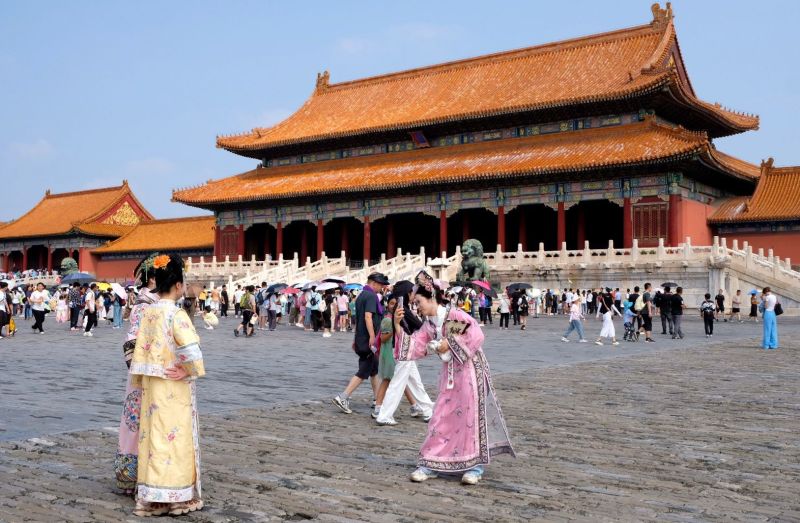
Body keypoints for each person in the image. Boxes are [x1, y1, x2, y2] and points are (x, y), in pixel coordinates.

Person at [401, 271, 515, 485]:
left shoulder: (453, 316)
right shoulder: (430, 325)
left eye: (418, 302)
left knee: (470, 416)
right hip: (451, 372)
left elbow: (475, 335)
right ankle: (431, 462)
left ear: (431, 297)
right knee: (441, 415)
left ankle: (475, 466)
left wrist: (449, 344)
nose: (417, 307)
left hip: (470, 370)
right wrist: (397, 327)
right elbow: (416, 345)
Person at [129, 253, 205, 517]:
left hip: (152, 387)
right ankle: (177, 498)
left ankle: (152, 498)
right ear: (178, 285)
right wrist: (188, 370)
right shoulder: (176, 314)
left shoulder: (148, 312)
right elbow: (191, 349)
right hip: (173, 385)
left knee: (154, 439)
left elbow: (139, 350)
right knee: (175, 437)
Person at [114, 253, 160, 496]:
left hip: (152, 370)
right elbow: (132, 342)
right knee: (137, 421)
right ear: (152, 279)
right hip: (143, 372)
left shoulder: (154, 302)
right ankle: (133, 476)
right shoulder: (145, 305)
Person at [375, 282, 435, 426]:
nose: (414, 294)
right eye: (412, 291)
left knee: (415, 382)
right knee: (397, 384)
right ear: (407, 292)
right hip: (405, 349)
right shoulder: (403, 309)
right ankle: (384, 415)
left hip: (405, 349)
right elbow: (419, 327)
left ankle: (428, 410)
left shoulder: (401, 307)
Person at [332, 272, 390, 415]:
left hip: (361, 337)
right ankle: (343, 397)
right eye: (381, 285)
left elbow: (358, 319)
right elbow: (367, 317)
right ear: (374, 283)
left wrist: (356, 338)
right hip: (368, 338)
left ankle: (377, 400)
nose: (382, 287)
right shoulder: (371, 296)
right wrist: (372, 337)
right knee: (364, 371)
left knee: (374, 370)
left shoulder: (361, 295)